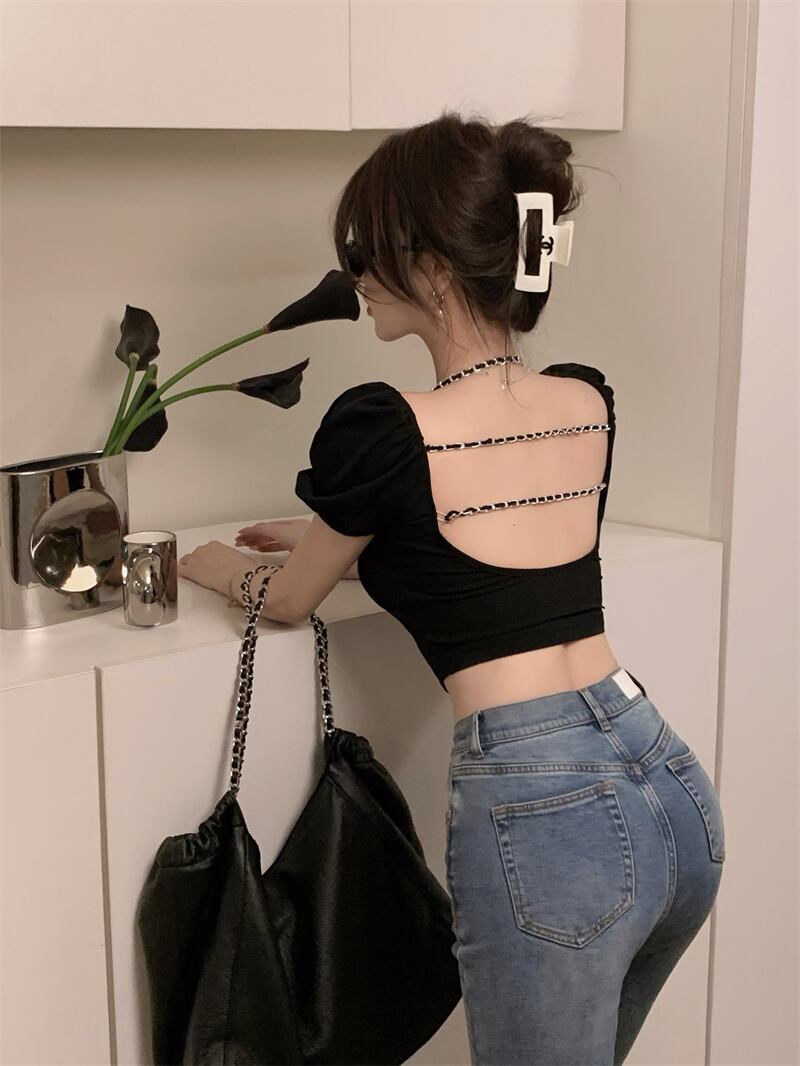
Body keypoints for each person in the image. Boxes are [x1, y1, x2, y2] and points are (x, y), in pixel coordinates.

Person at [180, 110, 726, 1066]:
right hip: (666, 780)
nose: (356, 276)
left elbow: (293, 600)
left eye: (369, 252)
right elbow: (496, 550)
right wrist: (342, 534)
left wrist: (220, 566)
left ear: (433, 269)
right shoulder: (583, 400)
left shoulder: (386, 430)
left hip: (548, 809)